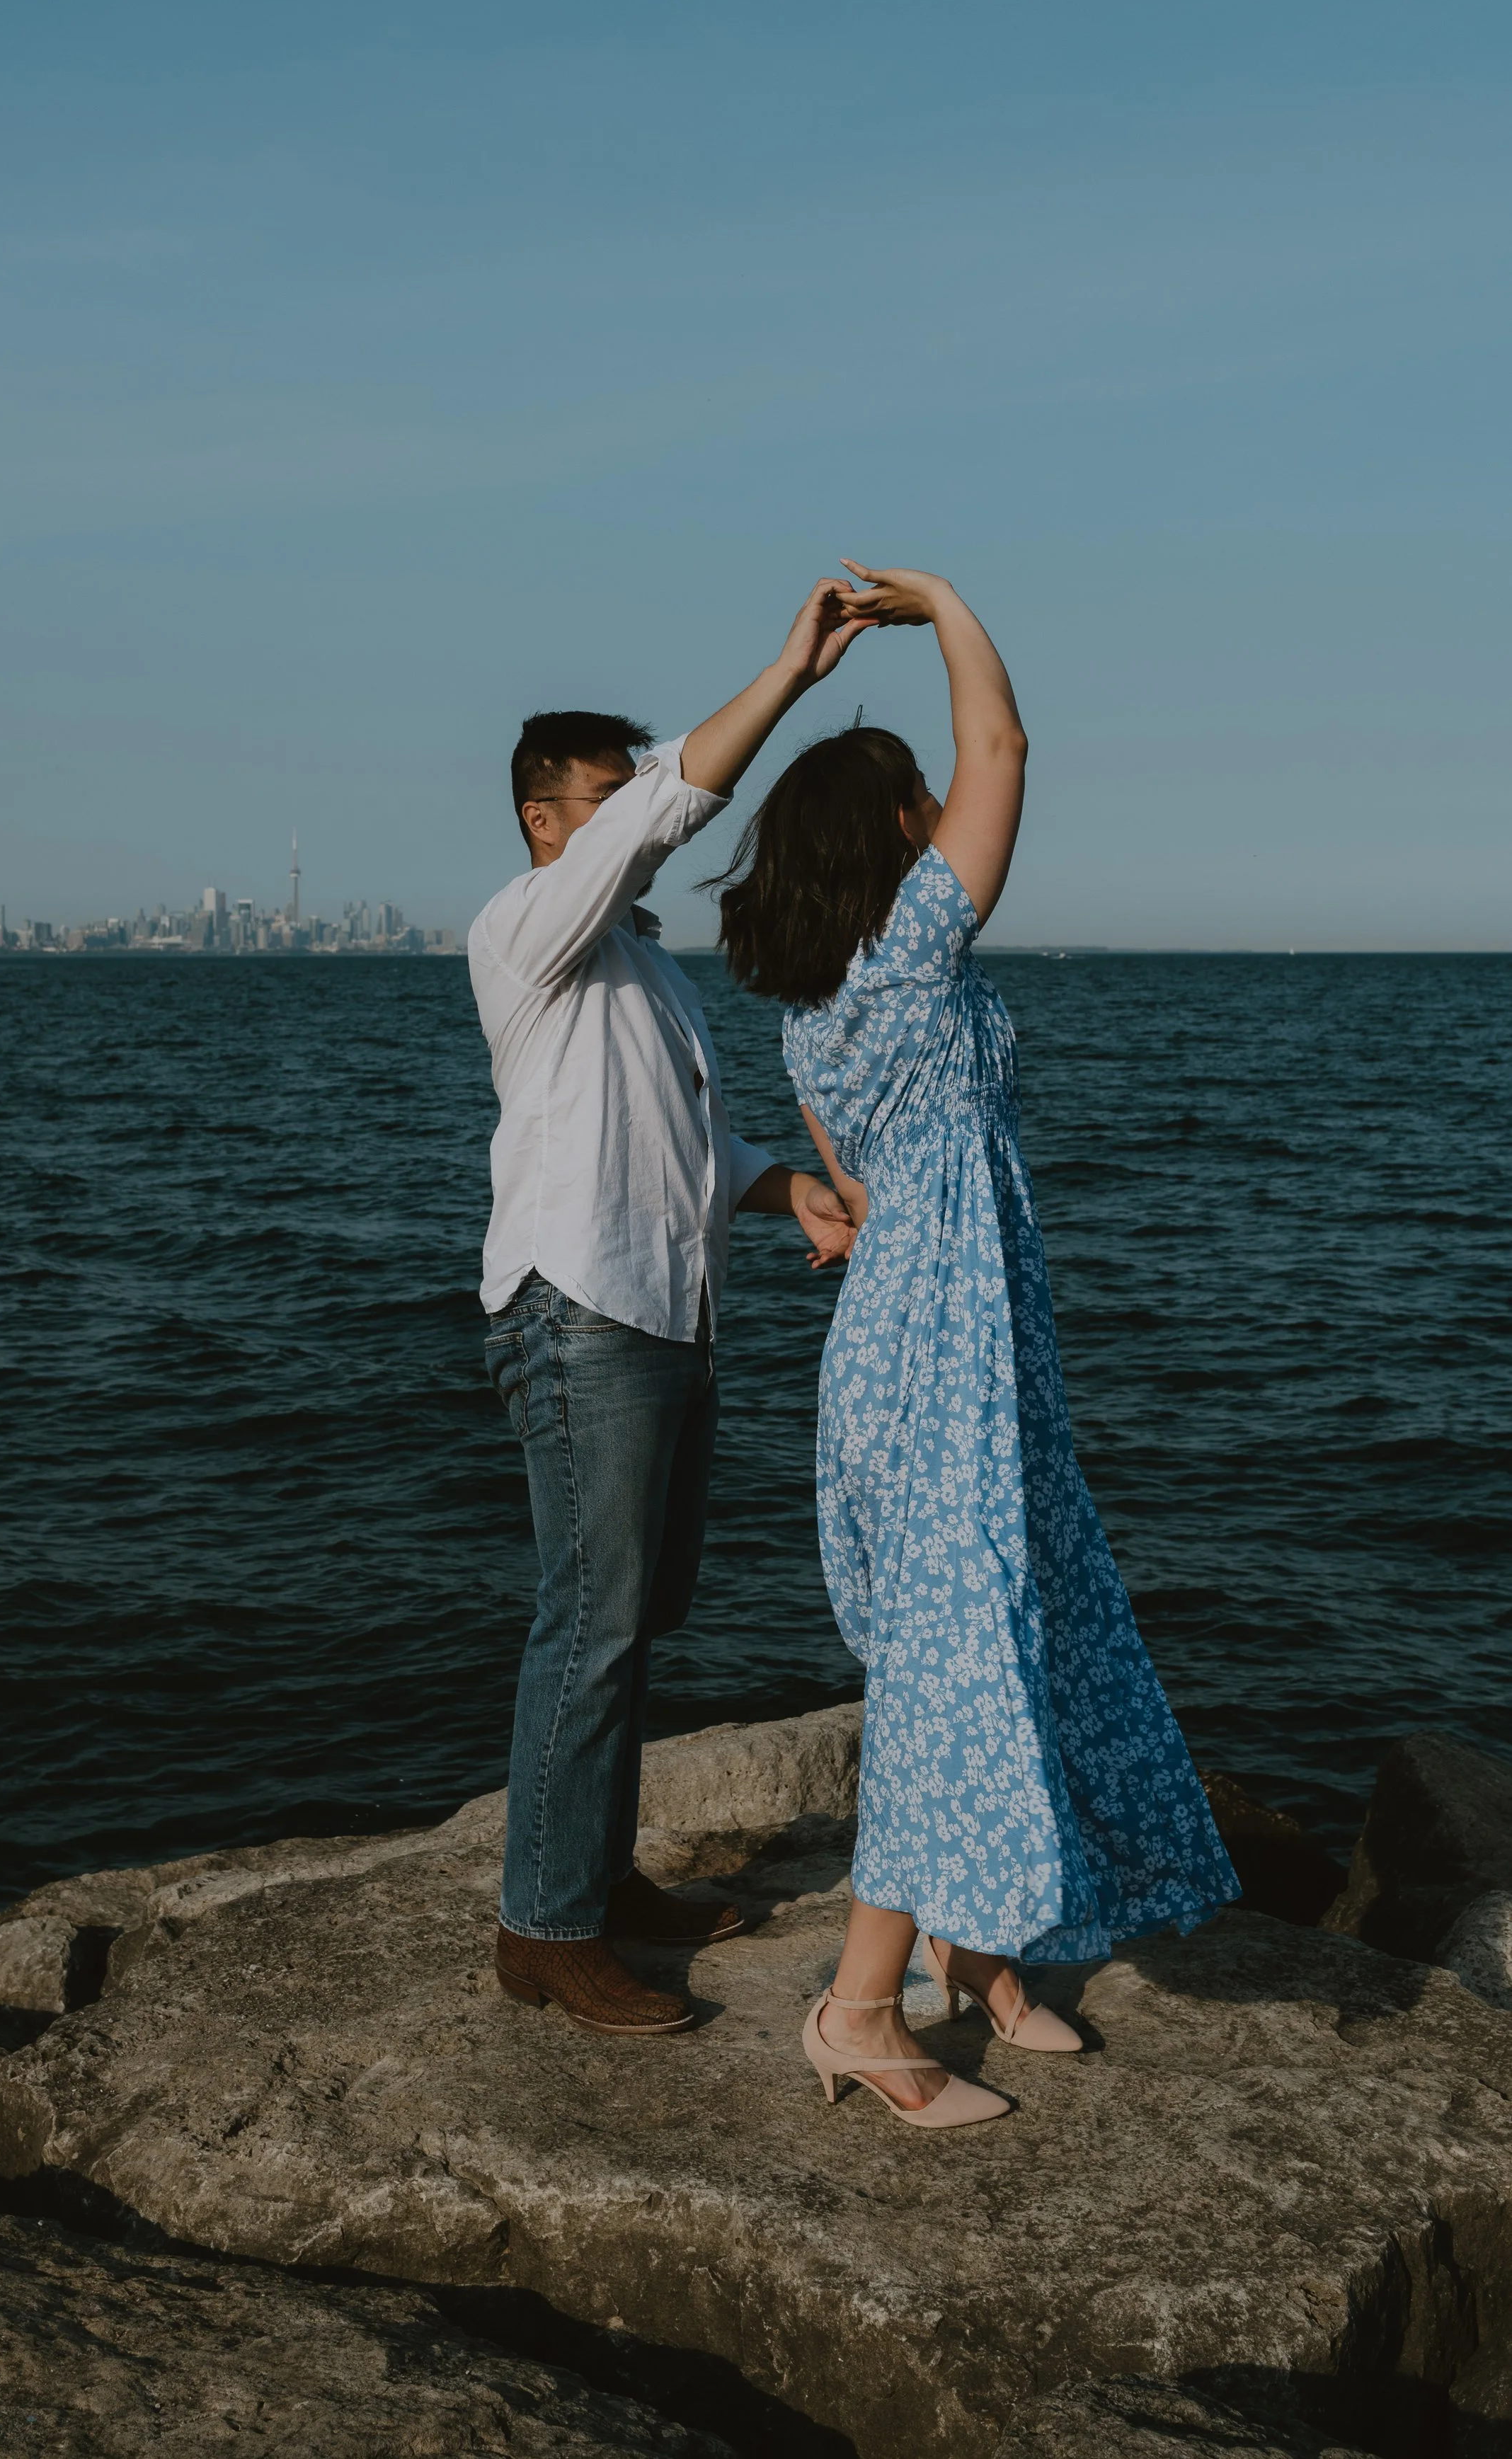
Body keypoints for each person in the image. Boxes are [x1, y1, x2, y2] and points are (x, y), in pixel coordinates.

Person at [713, 558, 1240, 2130]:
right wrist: (941, 601)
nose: (943, 801)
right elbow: (1006, 756)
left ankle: (974, 1950)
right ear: (885, 839)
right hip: (939, 1355)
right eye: (914, 800)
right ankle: (860, 2011)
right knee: (955, 1669)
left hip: (910, 1341)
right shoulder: (911, 960)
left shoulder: (816, 1017)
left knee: (1007, 1631)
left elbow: (859, 1192)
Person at [470, 580, 873, 2040]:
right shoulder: (523, 928)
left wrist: (790, 1199)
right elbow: (668, 811)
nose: (634, 807)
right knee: (588, 1621)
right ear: (544, 819)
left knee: (637, 1617)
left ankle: (593, 1883)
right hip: (581, 1315)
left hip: (666, 1310)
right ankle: (545, 1929)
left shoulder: (643, 972)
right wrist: (787, 672)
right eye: (606, 794)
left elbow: (695, 1153)